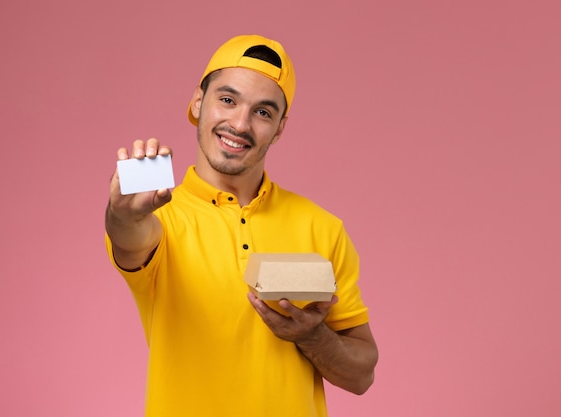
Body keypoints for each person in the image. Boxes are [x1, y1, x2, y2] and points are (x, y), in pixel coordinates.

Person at [105, 34, 378, 417]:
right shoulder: (160, 217)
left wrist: (311, 336)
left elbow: (362, 375)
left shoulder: (323, 227)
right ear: (198, 103)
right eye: (227, 100)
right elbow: (130, 237)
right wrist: (122, 214)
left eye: (263, 112)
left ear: (280, 128)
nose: (240, 123)